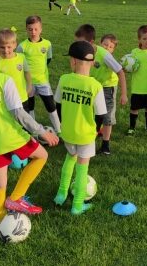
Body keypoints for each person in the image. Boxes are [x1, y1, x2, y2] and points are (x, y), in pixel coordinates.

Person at [0, 34, 59, 222]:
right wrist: (42, 131)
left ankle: (3, 224)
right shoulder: (3, 80)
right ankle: (16, 198)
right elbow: (19, 113)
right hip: (13, 136)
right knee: (42, 156)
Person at [53, 40, 107, 215]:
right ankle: (77, 205)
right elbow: (101, 115)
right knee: (83, 167)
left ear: (73, 61)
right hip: (85, 134)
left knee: (70, 159)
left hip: (67, 132)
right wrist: (96, 130)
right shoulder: (95, 86)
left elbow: (58, 105)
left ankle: (60, 195)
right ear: (91, 63)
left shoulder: (64, 79)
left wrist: (63, 123)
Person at [74, 25, 128, 155]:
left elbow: (120, 72)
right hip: (93, 86)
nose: (78, 45)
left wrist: (124, 94)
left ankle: (105, 145)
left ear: (91, 42)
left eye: (80, 42)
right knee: (92, 111)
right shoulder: (83, 52)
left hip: (107, 87)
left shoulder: (104, 55)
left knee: (106, 116)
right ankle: (91, 135)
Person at [16, 16, 61, 133]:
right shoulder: (22, 46)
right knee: (30, 107)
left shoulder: (47, 44)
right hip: (28, 83)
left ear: (41, 29)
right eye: (30, 29)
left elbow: (48, 59)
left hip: (42, 81)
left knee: (51, 106)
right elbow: (18, 62)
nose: (33, 32)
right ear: (26, 29)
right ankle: (34, 131)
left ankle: (59, 130)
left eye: (36, 29)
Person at [0, 29, 33, 115]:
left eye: (9, 47)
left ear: (15, 45)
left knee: (24, 122)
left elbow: (27, 72)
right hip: (5, 99)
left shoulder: (21, 57)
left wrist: (29, 85)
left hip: (22, 97)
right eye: (2, 47)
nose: (5, 50)